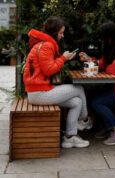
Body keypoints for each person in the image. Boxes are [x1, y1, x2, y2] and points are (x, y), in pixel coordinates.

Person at [23, 16, 92, 148]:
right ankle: (84, 120)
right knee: (78, 88)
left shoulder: (42, 44)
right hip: (39, 93)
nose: (62, 35)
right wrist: (63, 59)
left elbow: (47, 66)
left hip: (39, 91)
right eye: (61, 32)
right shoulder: (46, 46)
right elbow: (49, 70)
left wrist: (63, 58)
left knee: (76, 102)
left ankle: (69, 137)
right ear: (54, 32)